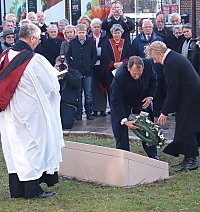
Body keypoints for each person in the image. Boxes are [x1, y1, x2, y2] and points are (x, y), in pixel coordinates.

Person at [0, 23, 64, 199]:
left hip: (7, 110)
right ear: (33, 38)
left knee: (14, 146)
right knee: (33, 145)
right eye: (38, 39)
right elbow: (50, 86)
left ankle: (17, 190)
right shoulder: (34, 60)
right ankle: (32, 190)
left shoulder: (4, 55)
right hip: (30, 110)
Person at [145, 41, 200, 172]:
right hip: (191, 95)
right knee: (185, 126)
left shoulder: (170, 63)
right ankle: (188, 158)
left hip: (190, 97)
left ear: (160, 53)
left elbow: (172, 90)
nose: (155, 62)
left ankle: (191, 161)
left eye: (154, 58)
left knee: (186, 127)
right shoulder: (173, 57)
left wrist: (164, 112)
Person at [110, 56, 159, 159]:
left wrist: (150, 96)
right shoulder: (120, 77)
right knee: (120, 128)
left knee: (147, 126)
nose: (137, 76)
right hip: (123, 101)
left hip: (141, 98)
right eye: (134, 74)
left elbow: (154, 81)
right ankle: (124, 155)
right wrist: (125, 120)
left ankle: (153, 154)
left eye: (139, 74)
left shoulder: (148, 65)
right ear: (128, 68)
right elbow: (116, 101)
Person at [66, 24, 97, 120]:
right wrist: (72, 67)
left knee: (88, 93)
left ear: (86, 32)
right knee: (78, 93)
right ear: (76, 33)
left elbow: (94, 56)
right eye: (79, 33)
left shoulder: (91, 42)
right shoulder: (72, 43)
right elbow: (68, 56)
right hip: (77, 72)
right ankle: (78, 114)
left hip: (88, 71)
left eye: (83, 32)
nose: (81, 34)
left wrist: (90, 66)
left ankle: (89, 113)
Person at [88, 18, 108, 117]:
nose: (96, 29)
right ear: (91, 28)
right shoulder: (89, 38)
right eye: (94, 27)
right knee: (93, 88)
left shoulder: (105, 38)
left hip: (103, 65)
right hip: (92, 65)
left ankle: (103, 109)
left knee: (102, 87)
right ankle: (95, 109)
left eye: (98, 27)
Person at [54, 56, 81, 129]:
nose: (60, 67)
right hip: (55, 103)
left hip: (68, 103)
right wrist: (54, 73)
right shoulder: (52, 73)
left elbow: (77, 84)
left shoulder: (74, 73)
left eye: (62, 65)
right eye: (58, 65)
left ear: (67, 65)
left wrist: (66, 73)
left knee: (66, 125)